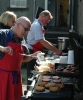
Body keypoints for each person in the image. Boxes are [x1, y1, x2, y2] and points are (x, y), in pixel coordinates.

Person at [0, 16, 42, 100]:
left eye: (28, 30)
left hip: (16, 78)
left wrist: (31, 56)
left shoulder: (21, 40)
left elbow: (21, 58)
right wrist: (2, 48)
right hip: (3, 78)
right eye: (26, 29)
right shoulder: (2, 34)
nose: (26, 33)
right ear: (18, 24)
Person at [26, 10, 62, 85]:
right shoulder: (37, 25)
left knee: (36, 71)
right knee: (32, 72)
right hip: (32, 51)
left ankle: (33, 85)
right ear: (42, 17)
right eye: (47, 19)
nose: (48, 21)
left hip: (36, 50)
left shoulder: (39, 25)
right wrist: (56, 51)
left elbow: (43, 40)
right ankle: (30, 88)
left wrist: (52, 45)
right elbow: (42, 41)